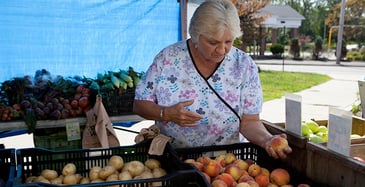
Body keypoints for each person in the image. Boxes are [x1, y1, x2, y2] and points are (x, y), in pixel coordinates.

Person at [133, 0, 292, 159]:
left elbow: (250, 122)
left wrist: (267, 139)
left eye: (228, 41)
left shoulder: (244, 65)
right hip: (175, 159)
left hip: (227, 163)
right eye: (213, 42)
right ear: (195, 35)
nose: (222, 50)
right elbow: (139, 104)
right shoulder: (168, 58)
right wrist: (166, 113)